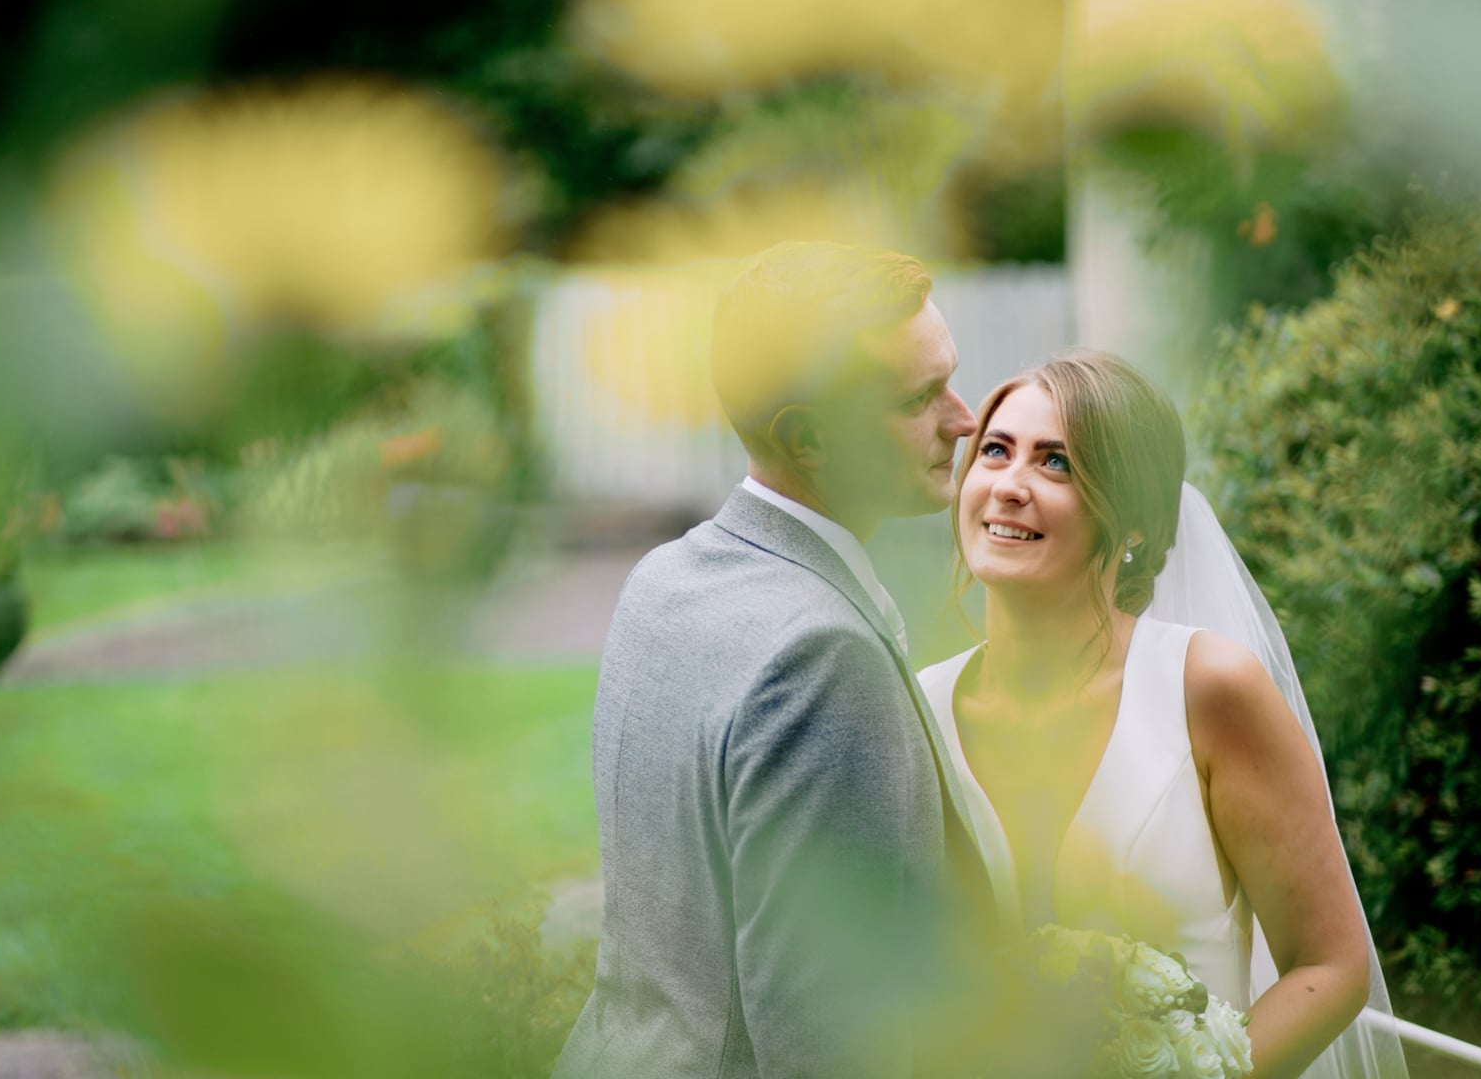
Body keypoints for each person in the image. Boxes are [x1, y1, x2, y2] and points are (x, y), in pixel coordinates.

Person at [554, 240, 987, 1079]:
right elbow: (830, 1035)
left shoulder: (665, 578)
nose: (963, 419)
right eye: (918, 397)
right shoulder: (821, 658)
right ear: (811, 437)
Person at [916, 350, 1410, 1079]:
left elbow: (1329, 966)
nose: (1010, 485)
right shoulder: (916, 706)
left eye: (1056, 464)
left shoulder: (1209, 689)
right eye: (996, 450)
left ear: (1135, 523)